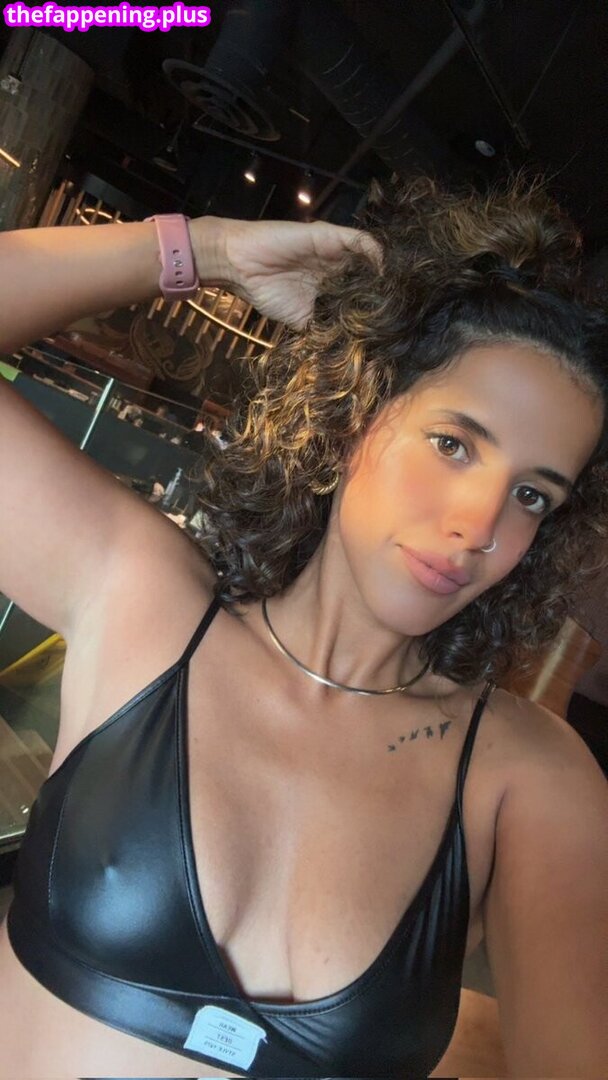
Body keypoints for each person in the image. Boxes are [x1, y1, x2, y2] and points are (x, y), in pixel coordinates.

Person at [0, 176, 606, 1080]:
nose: (480, 524)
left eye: (531, 496)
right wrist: (203, 250)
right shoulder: (145, 602)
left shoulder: (526, 777)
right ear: (357, 413)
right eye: (453, 444)